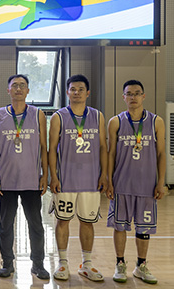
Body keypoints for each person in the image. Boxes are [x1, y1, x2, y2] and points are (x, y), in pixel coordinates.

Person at [0, 74, 50, 280]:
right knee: (6, 225)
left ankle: (38, 264)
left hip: (31, 180)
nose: (18, 89)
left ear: (28, 90)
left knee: (36, 225)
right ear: (8, 90)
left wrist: (45, 174)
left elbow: (44, 147)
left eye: (22, 85)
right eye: (14, 85)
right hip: (7, 180)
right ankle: (7, 263)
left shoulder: (38, 114)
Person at [49, 74, 108, 281]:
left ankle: (87, 264)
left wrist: (104, 174)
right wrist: (53, 176)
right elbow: (52, 149)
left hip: (91, 181)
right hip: (66, 180)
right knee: (62, 221)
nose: (76, 92)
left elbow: (103, 147)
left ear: (87, 93)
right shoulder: (58, 117)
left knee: (87, 222)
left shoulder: (97, 116)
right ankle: (63, 263)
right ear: (67, 92)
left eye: (81, 89)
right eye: (73, 89)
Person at [106, 80, 166, 284]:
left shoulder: (156, 121)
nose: (133, 97)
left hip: (147, 186)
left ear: (143, 96)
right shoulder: (115, 122)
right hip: (121, 184)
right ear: (123, 97)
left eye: (137, 93)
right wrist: (109, 181)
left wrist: (161, 182)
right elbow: (111, 154)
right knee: (120, 227)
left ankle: (141, 265)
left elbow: (161, 154)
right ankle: (120, 264)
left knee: (144, 228)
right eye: (129, 94)